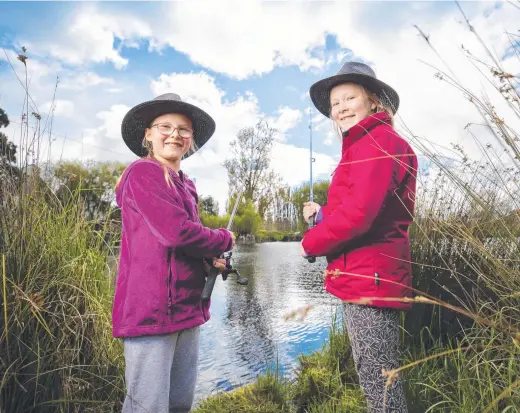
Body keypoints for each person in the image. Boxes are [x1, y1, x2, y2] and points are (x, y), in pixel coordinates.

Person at [301, 62, 417, 413]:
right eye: (335, 103)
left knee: (378, 382)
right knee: (376, 375)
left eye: (350, 98)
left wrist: (310, 242)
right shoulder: (365, 146)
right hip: (367, 277)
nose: (341, 108)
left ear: (374, 103)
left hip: (371, 280)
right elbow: (361, 208)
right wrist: (322, 215)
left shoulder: (377, 142)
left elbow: (358, 217)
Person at [113, 93, 235, 413]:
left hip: (186, 310)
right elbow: (176, 233)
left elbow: (187, 242)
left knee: (180, 403)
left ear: (190, 140)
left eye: (183, 129)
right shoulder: (143, 172)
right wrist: (224, 238)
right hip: (150, 314)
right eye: (165, 126)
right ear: (148, 135)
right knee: (147, 406)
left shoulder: (187, 185)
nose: (174, 134)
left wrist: (209, 260)